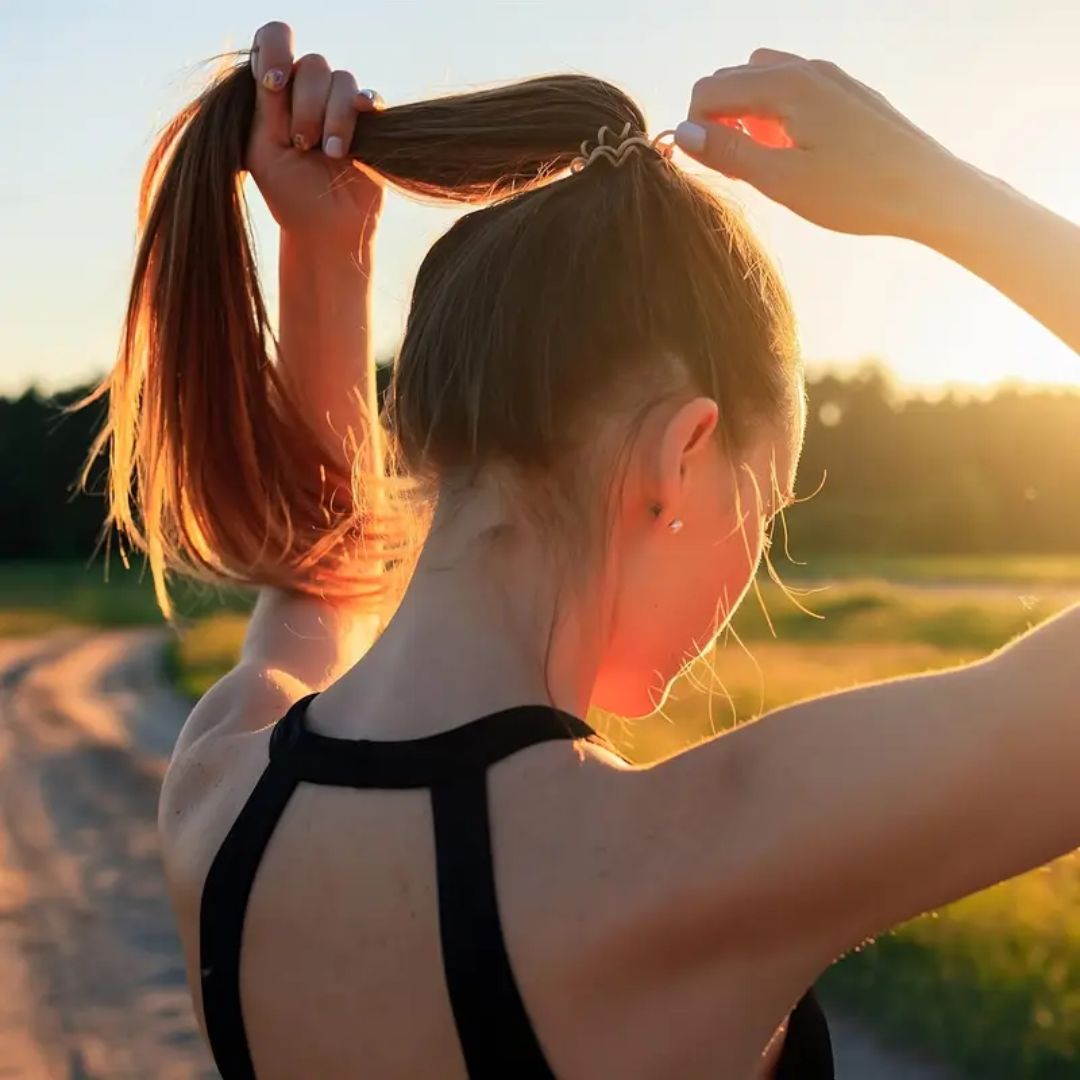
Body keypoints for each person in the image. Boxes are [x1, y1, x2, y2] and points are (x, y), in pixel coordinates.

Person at [87, 18, 1080, 1079]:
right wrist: (935, 191)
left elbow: (322, 583)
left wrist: (324, 262)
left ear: (422, 431)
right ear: (680, 456)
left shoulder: (220, 789)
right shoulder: (696, 860)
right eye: (768, 499)